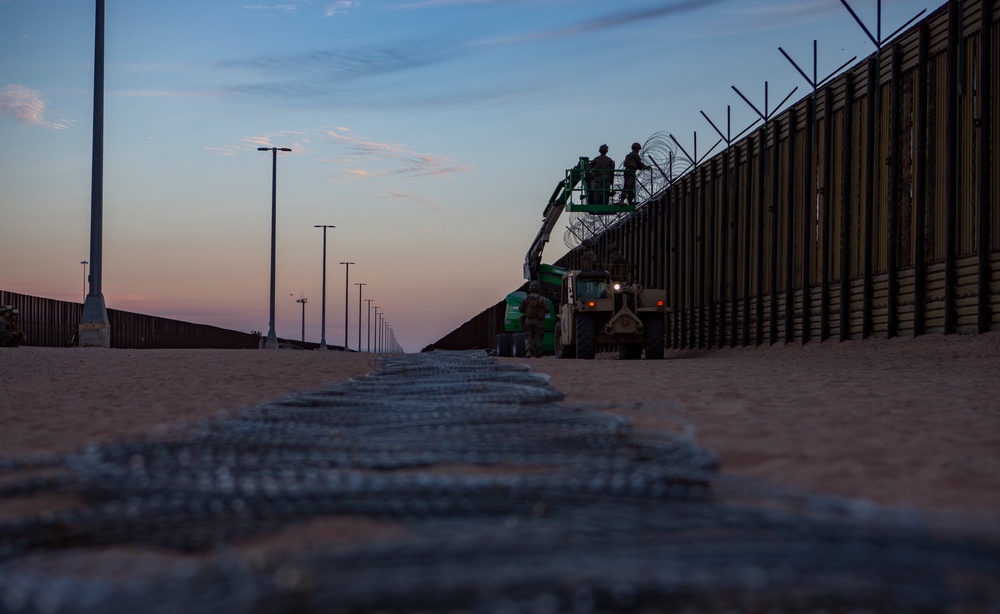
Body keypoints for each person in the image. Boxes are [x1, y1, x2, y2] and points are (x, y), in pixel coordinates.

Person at [518, 281, 549, 358]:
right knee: (538, 336)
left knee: (528, 336)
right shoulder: (542, 299)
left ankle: (528, 351)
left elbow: (520, 309)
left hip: (528, 320)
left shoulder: (526, 298)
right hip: (538, 321)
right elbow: (548, 310)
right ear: (538, 289)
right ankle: (537, 352)